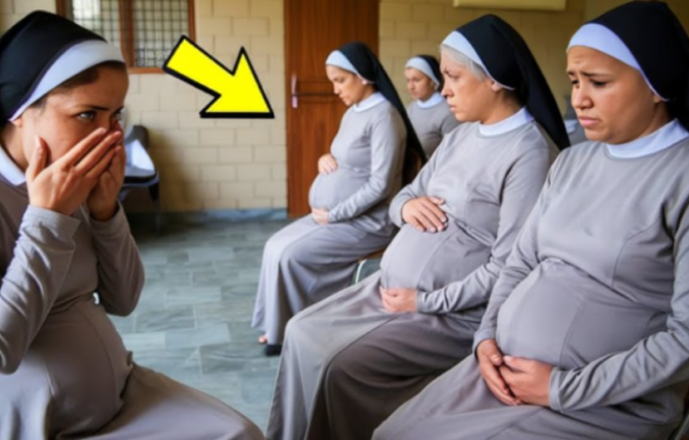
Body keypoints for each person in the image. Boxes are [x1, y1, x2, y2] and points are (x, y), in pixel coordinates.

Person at [0, 11, 263, 440]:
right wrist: (49, 219)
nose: (108, 136)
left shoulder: (70, 174)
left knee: (239, 433)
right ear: (20, 110)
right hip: (21, 417)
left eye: (115, 116)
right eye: (87, 115)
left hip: (110, 396)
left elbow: (123, 299)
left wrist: (107, 213)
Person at [374, 3, 689, 440]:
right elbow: (520, 263)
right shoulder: (573, 162)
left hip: (602, 401)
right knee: (391, 433)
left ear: (657, 83)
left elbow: (684, 339)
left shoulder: (680, 177)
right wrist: (486, 339)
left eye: (598, 82)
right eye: (575, 81)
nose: (578, 98)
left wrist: (561, 387)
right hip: (503, 368)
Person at [266, 15, 568, 440]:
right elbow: (402, 196)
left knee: (337, 364)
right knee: (299, 330)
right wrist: (407, 208)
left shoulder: (529, 154)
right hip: (393, 289)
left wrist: (425, 300)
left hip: (451, 311)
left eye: (453, 77)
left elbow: (508, 267)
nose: (444, 90)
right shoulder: (461, 136)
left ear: (494, 79)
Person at [251, 41, 424, 356]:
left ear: (362, 77)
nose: (335, 90)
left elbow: (381, 184)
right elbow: (346, 155)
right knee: (273, 246)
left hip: (368, 222)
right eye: (332, 81)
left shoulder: (384, 117)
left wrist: (335, 214)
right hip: (335, 215)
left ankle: (296, 330)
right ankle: (276, 325)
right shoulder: (353, 112)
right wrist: (325, 158)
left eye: (340, 80)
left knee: (290, 255)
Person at [404, 55, 460, 157]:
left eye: (416, 80)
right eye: (408, 80)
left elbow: (454, 153)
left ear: (433, 81)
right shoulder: (409, 109)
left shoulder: (448, 112)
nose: (410, 86)